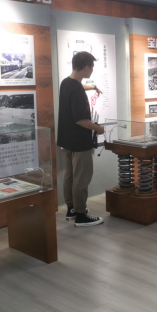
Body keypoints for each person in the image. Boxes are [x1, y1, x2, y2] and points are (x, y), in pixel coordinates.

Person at [57, 51, 105, 228]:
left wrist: (92, 87)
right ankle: (81, 214)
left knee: (70, 175)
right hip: (79, 141)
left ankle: (71, 209)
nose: (92, 71)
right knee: (81, 178)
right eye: (91, 67)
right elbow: (81, 120)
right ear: (86, 67)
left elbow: (77, 87)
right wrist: (99, 129)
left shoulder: (66, 83)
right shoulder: (76, 89)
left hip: (67, 139)